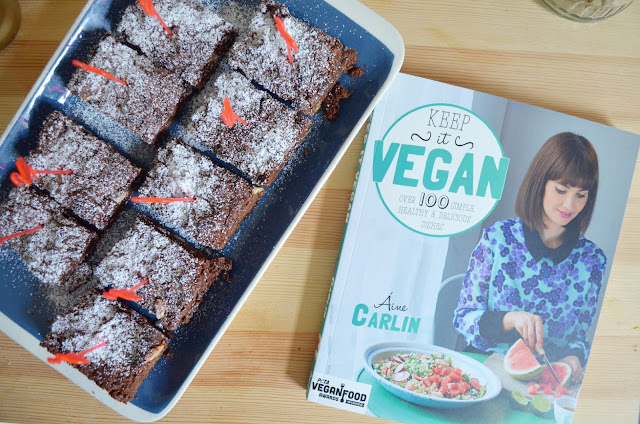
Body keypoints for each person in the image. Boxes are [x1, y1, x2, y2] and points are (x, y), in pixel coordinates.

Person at [453, 132, 606, 384]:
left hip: (545, 382)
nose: (570, 205)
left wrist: (574, 357)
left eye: (581, 194)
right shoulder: (498, 238)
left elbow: (579, 335)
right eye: (561, 190)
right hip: (485, 372)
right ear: (540, 182)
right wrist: (509, 319)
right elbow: (463, 318)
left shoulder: (593, 261)